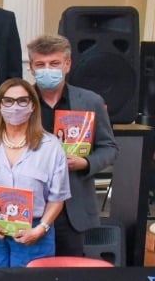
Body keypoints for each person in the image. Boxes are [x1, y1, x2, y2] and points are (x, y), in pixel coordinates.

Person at [27, 35, 118, 256]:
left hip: (72, 209)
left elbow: (109, 148)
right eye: (40, 64)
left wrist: (85, 163)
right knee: (28, 277)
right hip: (28, 206)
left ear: (67, 64)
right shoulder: (20, 100)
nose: (47, 69)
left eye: (54, 63)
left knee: (69, 277)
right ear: (31, 68)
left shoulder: (90, 101)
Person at [0, 78, 70, 267]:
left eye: (22, 101)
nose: (15, 107)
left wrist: (41, 229)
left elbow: (58, 197)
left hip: (35, 230)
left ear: (32, 105)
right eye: (8, 101)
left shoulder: (51, 146)